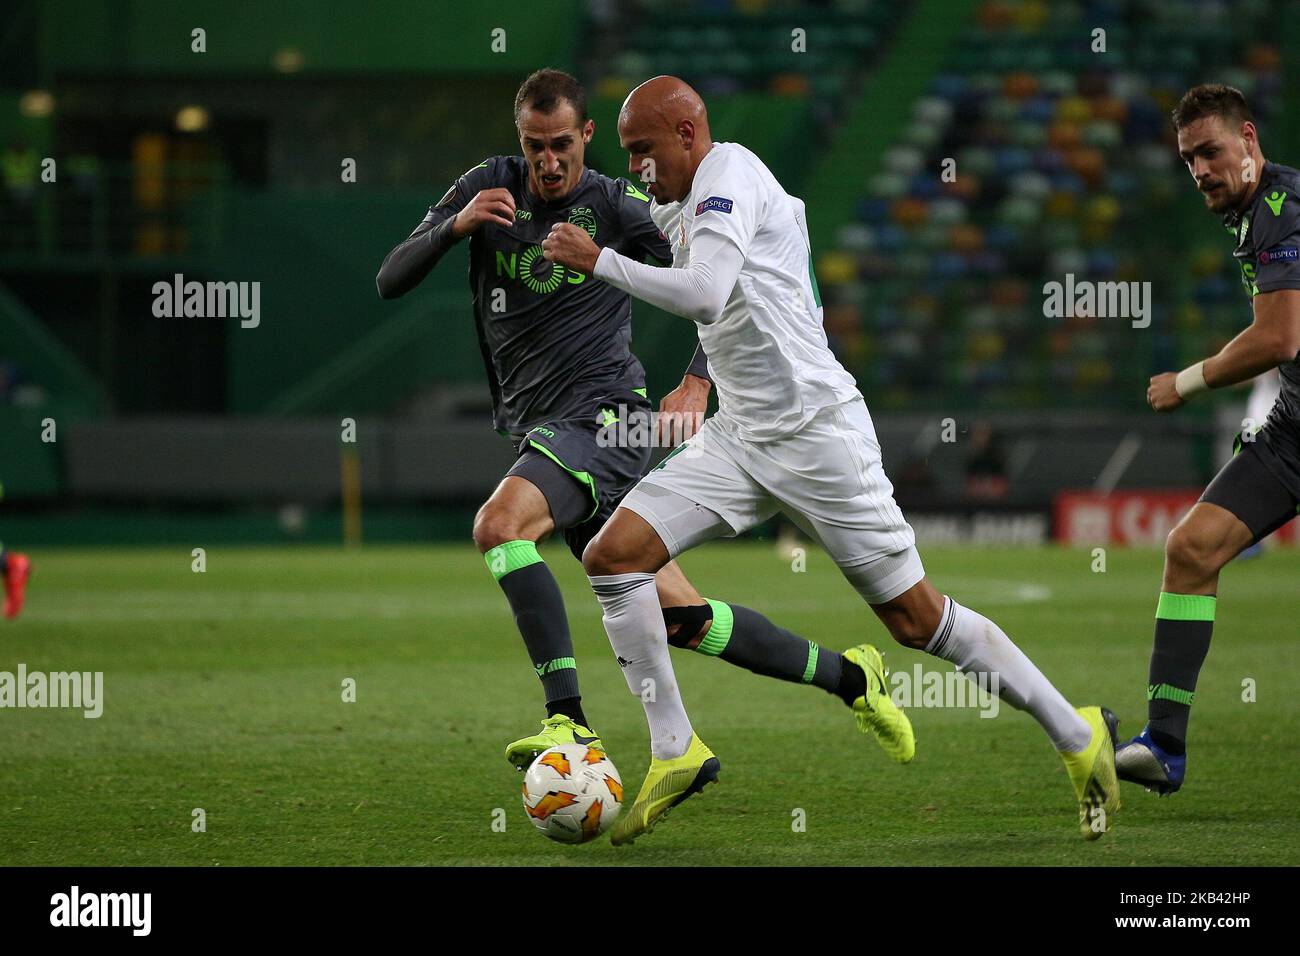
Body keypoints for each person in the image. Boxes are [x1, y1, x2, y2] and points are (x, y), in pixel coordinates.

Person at [543, 75, 1119, 845]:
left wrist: (597, 261)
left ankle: (1078, 734)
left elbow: (709, 294)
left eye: (646, 150)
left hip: (819, 435)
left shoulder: (730, 176)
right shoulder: (681, 198)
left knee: (917, 622)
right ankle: (676, 749)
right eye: (629, 156)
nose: (640, 167)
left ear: (689, 132)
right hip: (742, 436)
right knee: (615, 557)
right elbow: (680, 234)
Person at [376, 69, 896, 773]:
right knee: (684, 620)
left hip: (605, 417)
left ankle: (568, 724)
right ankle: (853, 678)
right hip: (548, 429)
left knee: (500, 527)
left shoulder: (620, 204)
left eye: (562, 144)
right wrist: (452, 229)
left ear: (587, 135)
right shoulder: (484, 188)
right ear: (519, 141)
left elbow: (721, 282)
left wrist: (698, 379)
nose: (548, 161)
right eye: (534, 146)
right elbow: (390, 278)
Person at [1118, 84, 1300, 794]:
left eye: (1212, 152)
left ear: (1249, 138)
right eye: (1189, 158)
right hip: (1294, 426)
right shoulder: (1255, 212)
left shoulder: (1282, 208)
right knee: (1191, 548)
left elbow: (1281, 335)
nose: (1200, 170)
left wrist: (1185, 382)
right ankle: (1163, 746)